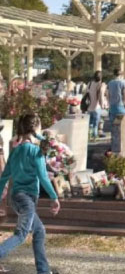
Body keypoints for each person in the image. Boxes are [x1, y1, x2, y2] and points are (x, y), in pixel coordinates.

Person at [0, 113, 60, 274]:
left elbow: (4, 177)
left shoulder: (15, 151)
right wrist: (54, 198)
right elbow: (43, 177)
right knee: (21, 234)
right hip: (27, 200)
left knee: (39, 231)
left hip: (16, 198)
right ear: (36, 128)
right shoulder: (36, 152)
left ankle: (43, 270)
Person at [86, 71, 106, 140]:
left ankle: (89, 136)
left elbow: (86, 93)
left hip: (89, 107)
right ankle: (94, 137)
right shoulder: (101, 84)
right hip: (97, 107)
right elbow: (101, 95)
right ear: (101, 77)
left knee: (90, 124)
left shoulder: (89, 84)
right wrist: (102, 105)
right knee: (95, 124)